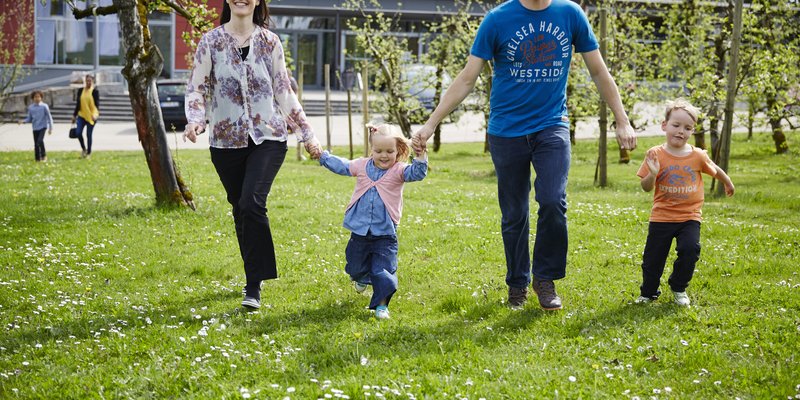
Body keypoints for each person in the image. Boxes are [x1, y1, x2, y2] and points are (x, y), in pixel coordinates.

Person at [411, 0, 637, 310]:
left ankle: (544, 280)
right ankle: (517, 283)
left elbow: (598, 71)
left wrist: (622, 119)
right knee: (515, 213)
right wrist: (429, 124)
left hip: (552, 125)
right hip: (507, 131)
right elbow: (467, 78)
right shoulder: (497, 20)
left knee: (553, 199)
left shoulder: (570, 13)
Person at [183, 0, 322, 310]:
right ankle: (253, 279)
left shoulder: (270, 42)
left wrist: (307, 134)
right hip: (225, 142)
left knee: (251, 203)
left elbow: (284, 91)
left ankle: (254, 285)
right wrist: (195, 120)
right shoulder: (211, 42)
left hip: (269, 136)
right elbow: (196, 87)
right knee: (240, 208)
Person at [319, 124, 428, 319]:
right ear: (372, 150)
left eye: (389, 151)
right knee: (354, 266)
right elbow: (343, 166)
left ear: (398, 150)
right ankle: (361, 277)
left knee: (383, 270)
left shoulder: (399, 170)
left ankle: (381, 306)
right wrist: (323, 157)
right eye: (378, 151)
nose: (384, 155)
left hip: (385, 233)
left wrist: (420, 156)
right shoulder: (362, 166)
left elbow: (417, 173)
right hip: (360, 231)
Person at [635, 99, 734, 306]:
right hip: (661, 216)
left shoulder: (697, 155)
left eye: (687, 128)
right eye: (676, 125)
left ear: (692, 131)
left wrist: (727, 182)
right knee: (653, 259)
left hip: (689, 216)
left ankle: (679, 287)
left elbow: (714, 169)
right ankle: (648, 292)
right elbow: (645, 187)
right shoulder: (655, 154)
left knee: (690, 250)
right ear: (664, 125)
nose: (681, 131)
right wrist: (652, 174)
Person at [19, 90, 54, 162]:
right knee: (36, 144)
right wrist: (23, 121)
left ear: (41, 98)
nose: (37, 98)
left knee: (40, 141)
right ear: (32, 98)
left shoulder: (44, 106)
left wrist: (50, 128)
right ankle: (37, 159)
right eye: (35, 97)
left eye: (38, 97)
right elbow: (29, 119)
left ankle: (44, 155)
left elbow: (49, 117)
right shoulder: (31, 108)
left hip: (43, 126)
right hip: (35, 128)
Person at [72, 74, 100, 159]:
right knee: (78, 132)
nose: (88, 82)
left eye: (90, 81)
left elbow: (97, 105)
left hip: (91, 116)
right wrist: (74, 115)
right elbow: (78, 104)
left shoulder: (95, 92)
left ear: (92, 82)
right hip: (81, 115)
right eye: (87, 81)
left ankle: (89, 153)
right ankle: (84, 149)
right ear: (85, 81)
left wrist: (95, 115)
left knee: (89, 134)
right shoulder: (81, 90)